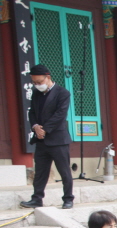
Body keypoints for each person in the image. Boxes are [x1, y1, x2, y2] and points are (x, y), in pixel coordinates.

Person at [20, 64, 74, 210]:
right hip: (41, 140)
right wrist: (35, 126)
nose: (37, 85)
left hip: (58, 139)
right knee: (40, 172)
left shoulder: (62, 93)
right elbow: (32, 112)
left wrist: (46, 129)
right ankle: (37, 199)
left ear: (47, 77)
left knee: (64, 171)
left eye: (39, 82)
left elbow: (60, 114)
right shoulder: (37, 93)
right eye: (34, 83)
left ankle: (68, 199)